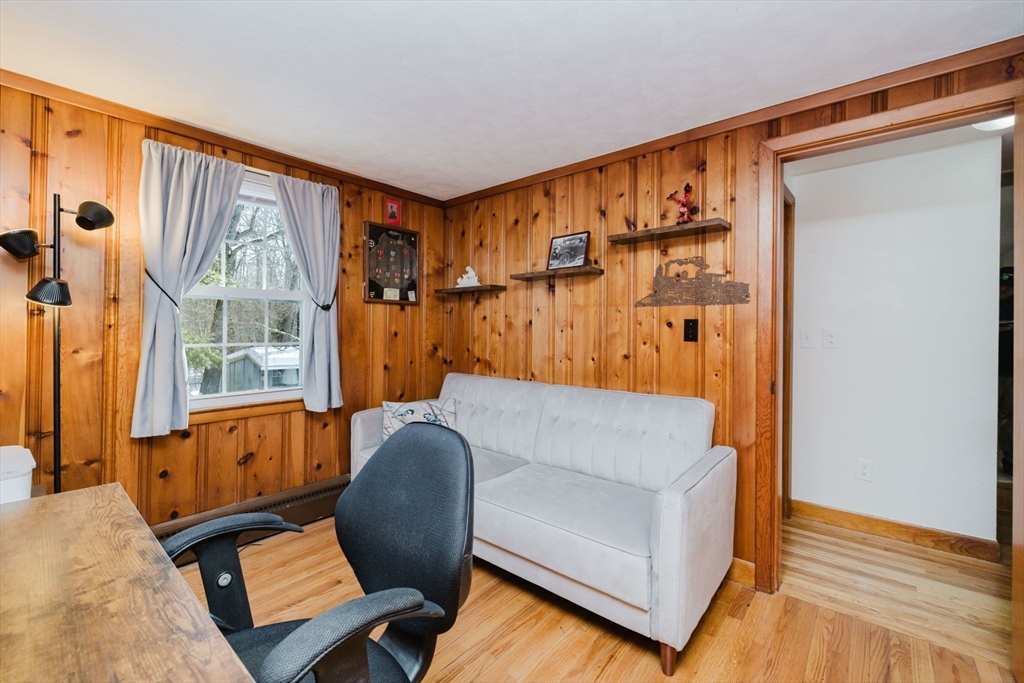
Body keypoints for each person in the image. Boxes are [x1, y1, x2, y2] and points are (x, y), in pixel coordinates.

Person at [998, 267, 1013, 477]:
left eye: (1008, 284)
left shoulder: (1017, 306)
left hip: (1011, 372)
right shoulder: (986, 304)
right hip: (985, 370)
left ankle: (1009, 458)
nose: (1003, 288)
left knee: (1010, 417)